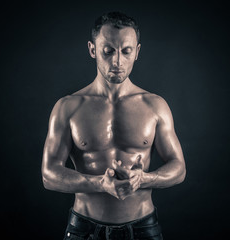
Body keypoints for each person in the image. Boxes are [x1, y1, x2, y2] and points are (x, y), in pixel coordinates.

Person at [42, 11, 186, 240]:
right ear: (92, 50)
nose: (117, 61)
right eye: (108, 51)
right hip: (84, 229)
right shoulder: (68, 107)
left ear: (137, 52)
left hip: (143, 228)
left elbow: (179, 168)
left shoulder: (155, 106)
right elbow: (49, 175)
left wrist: (144, 179)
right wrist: (100, 183)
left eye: (126, 51)